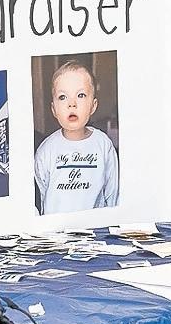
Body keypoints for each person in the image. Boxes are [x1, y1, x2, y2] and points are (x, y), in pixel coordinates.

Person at [33, 60, 119, 214]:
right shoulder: (46, 150)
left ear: (93, 106)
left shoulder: (103, 144)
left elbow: (113, 194)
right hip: (57, 227)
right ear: (54, 109)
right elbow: (40, 195)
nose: (71, 104)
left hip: (95, 226)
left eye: (80, 95)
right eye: (62, 97)